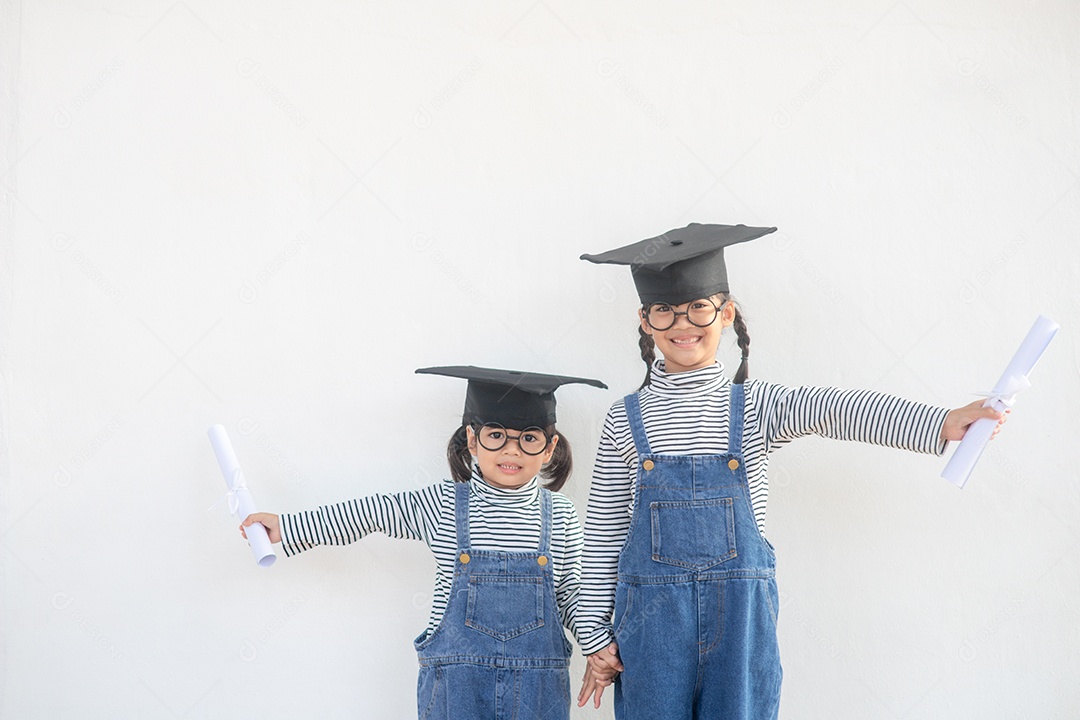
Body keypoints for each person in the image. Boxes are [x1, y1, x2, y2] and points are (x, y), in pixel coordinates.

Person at [574, 223, 1008, 719]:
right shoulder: (624, 419)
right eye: (665, 311)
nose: (682, 323)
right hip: (650, 630)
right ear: (646, 320)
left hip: (741, 625)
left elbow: (838, 410)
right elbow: (604, 529)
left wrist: (941, 422)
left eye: (699, 306)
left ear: (726, 312)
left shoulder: (755, 406)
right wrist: (594, 634)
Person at [240, 365, 608, 720]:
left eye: (528, 438)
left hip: (538, 691)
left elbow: (570, 592)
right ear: (471, 440)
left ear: (549, 448)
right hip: (456, 688)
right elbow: (369, 514)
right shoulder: (442, 504)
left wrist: (596, 646)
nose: (511, 451)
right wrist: (289, 527)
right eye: (495, 435)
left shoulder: (560, 513)